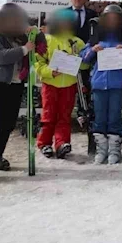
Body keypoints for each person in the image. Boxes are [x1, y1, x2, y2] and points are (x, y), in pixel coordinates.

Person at [0, 4, 34, 178]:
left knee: (7, 123)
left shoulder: (16, 34)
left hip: (16, 83)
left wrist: (32, 33)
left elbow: (32, 40)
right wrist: (24, 49)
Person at [81, 4, 122, 164]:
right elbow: (84, 56)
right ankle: (101, 150)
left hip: (118, 83)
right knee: (100, 117)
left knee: (115, 116)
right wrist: (93, 50)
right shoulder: (96, 36)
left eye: (115, 18)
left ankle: (114, 151)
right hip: (99, 82)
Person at [34, 9, 89, 159]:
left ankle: (62, 143)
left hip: (69, 85)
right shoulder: (46, 40)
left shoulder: (77, 42)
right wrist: (50, 72)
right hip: (50, 84)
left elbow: (85, 65)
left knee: (64, 116)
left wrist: (80, 60)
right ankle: (44, 143)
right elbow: (38, 63)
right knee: (49, 115)